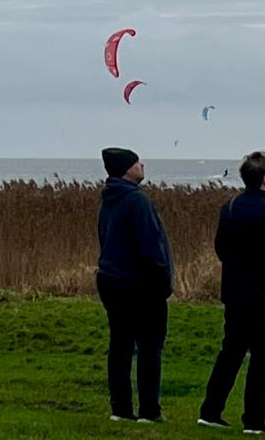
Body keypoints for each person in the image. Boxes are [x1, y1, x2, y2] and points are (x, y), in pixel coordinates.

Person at [199, 151, 265, 434]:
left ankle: (210, 411)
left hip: (235, 293)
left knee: (230, 352)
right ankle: (254, 420)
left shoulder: (229, 208)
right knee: (262, 359)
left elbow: (220, 248)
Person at [96, 147, 174, 424]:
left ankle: (120, 408)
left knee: (120, 345)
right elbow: (151, 246)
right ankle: (149, 411)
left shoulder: (109, 198)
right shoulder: (137, 201)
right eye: (137, 162)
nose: (143, 164)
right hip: (140, 284)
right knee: (149, 346)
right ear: (127, 169)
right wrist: (163, 279)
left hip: (111, 280)